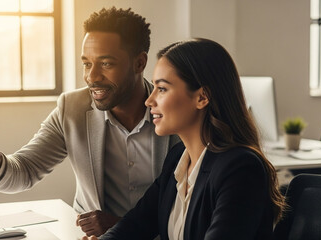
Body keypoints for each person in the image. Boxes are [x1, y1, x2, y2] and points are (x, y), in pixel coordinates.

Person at [0, 7, 179, 237]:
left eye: (106, 64)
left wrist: (122, 227)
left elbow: (194, 209)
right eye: (87, 63)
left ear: (139, 63)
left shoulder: (176, 111)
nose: (91, 77)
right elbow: (25, 169)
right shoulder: (72, 108)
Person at [82, 38, 286, 240]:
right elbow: (136, 224)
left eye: (162, 89)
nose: (149, 100)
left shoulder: (240, 168)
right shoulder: (177, 158)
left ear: (202, 98)